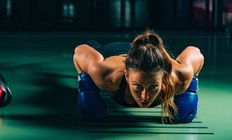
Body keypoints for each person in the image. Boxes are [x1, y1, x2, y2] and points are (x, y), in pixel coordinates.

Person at [73, 30, 204, 123]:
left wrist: (189, 90)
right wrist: (88, 88)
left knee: (183, 113)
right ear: (126, 76)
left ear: (164, 77)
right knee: (92, 110)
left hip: (153, 56)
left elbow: (195, 52)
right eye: (137, 86)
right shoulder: (107, 74)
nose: (145, 97)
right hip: (115, 51)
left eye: (153, 87)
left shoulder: (178, 77)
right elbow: (80, 51)